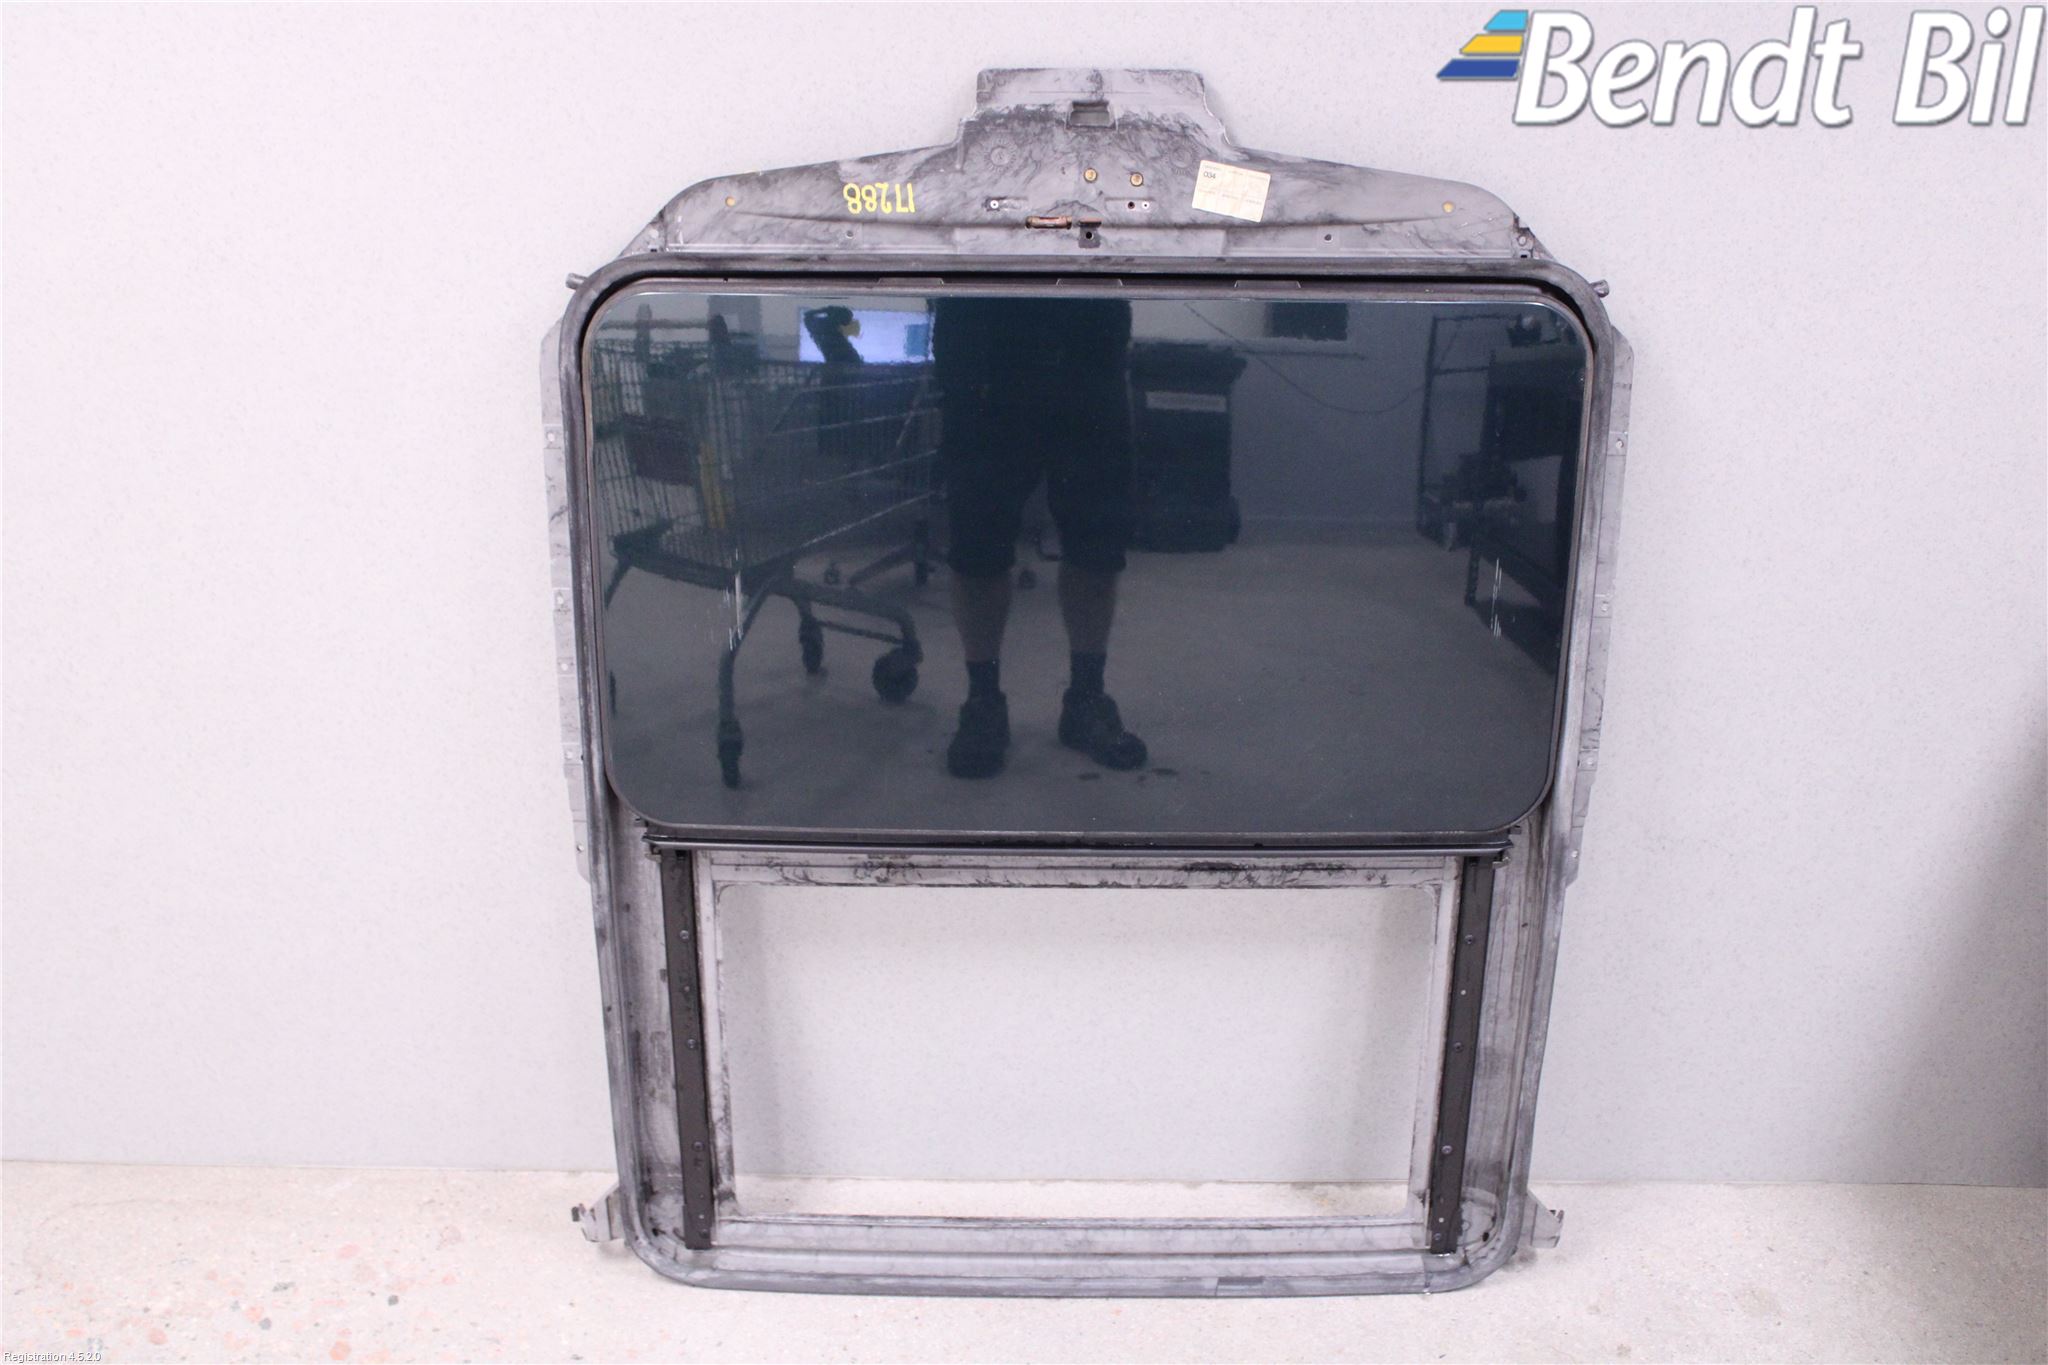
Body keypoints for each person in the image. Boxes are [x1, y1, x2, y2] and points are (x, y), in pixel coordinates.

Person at [931, 296, 1148, 779]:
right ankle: (983, 702)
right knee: (977, 545)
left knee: (1098, 542)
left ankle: (1086, 698)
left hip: (1090, 349)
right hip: (984, 352)